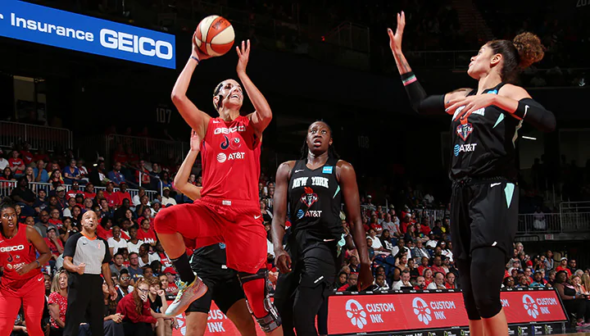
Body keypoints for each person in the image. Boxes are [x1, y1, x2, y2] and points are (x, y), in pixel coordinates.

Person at [388, 11, 555, 336]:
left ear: (495, 60)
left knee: (486, 293)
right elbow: (420, 104)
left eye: (477, 53)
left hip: (494, 191)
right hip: (461, 195)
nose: (471, 57)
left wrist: (498, 102)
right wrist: (398, 55)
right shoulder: (461, 95)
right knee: (470, 298)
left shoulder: (508, 94)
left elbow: (547, 121)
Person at [154, 33, 281, 334]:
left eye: (236, 88)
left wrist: (242, 74)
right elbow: (176, 96)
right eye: (227, 88)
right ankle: (189, 282)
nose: (234, 90)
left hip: (245, 221)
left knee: (260, 307)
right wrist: (195, 57)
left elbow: (266, 113)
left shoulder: (250, 125)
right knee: (163, 218)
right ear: (216, 100)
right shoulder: (207, 124)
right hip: (211, 213)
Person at [272, 121, 372, 335]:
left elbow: (355, 220)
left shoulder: (341, 168)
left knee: (302, 312)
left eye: (324, 131)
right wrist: (278, 248)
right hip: (296, 243)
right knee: (280, 312)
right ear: (306, 138)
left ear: (331, 140)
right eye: (313, 131)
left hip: (326, 244)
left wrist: (365, 263)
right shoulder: (288, 169)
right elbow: (279, 216)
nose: (318, 134)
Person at [173, 131, 257, 336]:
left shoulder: (243, 200)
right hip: (203, 269)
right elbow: (179, 184)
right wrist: (194, 150)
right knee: (194, 332)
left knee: (248, 326)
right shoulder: (206, 194)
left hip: (229, 271)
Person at [0, 197, 51, 336]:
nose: (10, 219)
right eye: (5, 216)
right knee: (2, 328)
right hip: (9, 287)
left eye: (12, 215)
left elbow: (47, 254)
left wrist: (31, 266)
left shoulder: (29, 231)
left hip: (32, 283)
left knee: (33, 327)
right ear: (0, 219)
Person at [62, 211, 118, 336]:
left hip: (96, 283)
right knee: (73, 321)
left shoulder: (103, 242)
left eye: (94, 218)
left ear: (97, 222)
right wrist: (76, 268)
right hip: (79, 281)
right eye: (87, 218)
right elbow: (66, 262)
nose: (91, 220)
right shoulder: (74, 239)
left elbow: (105, 266)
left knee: (97, 322)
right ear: (81, 222)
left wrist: (110, 285)